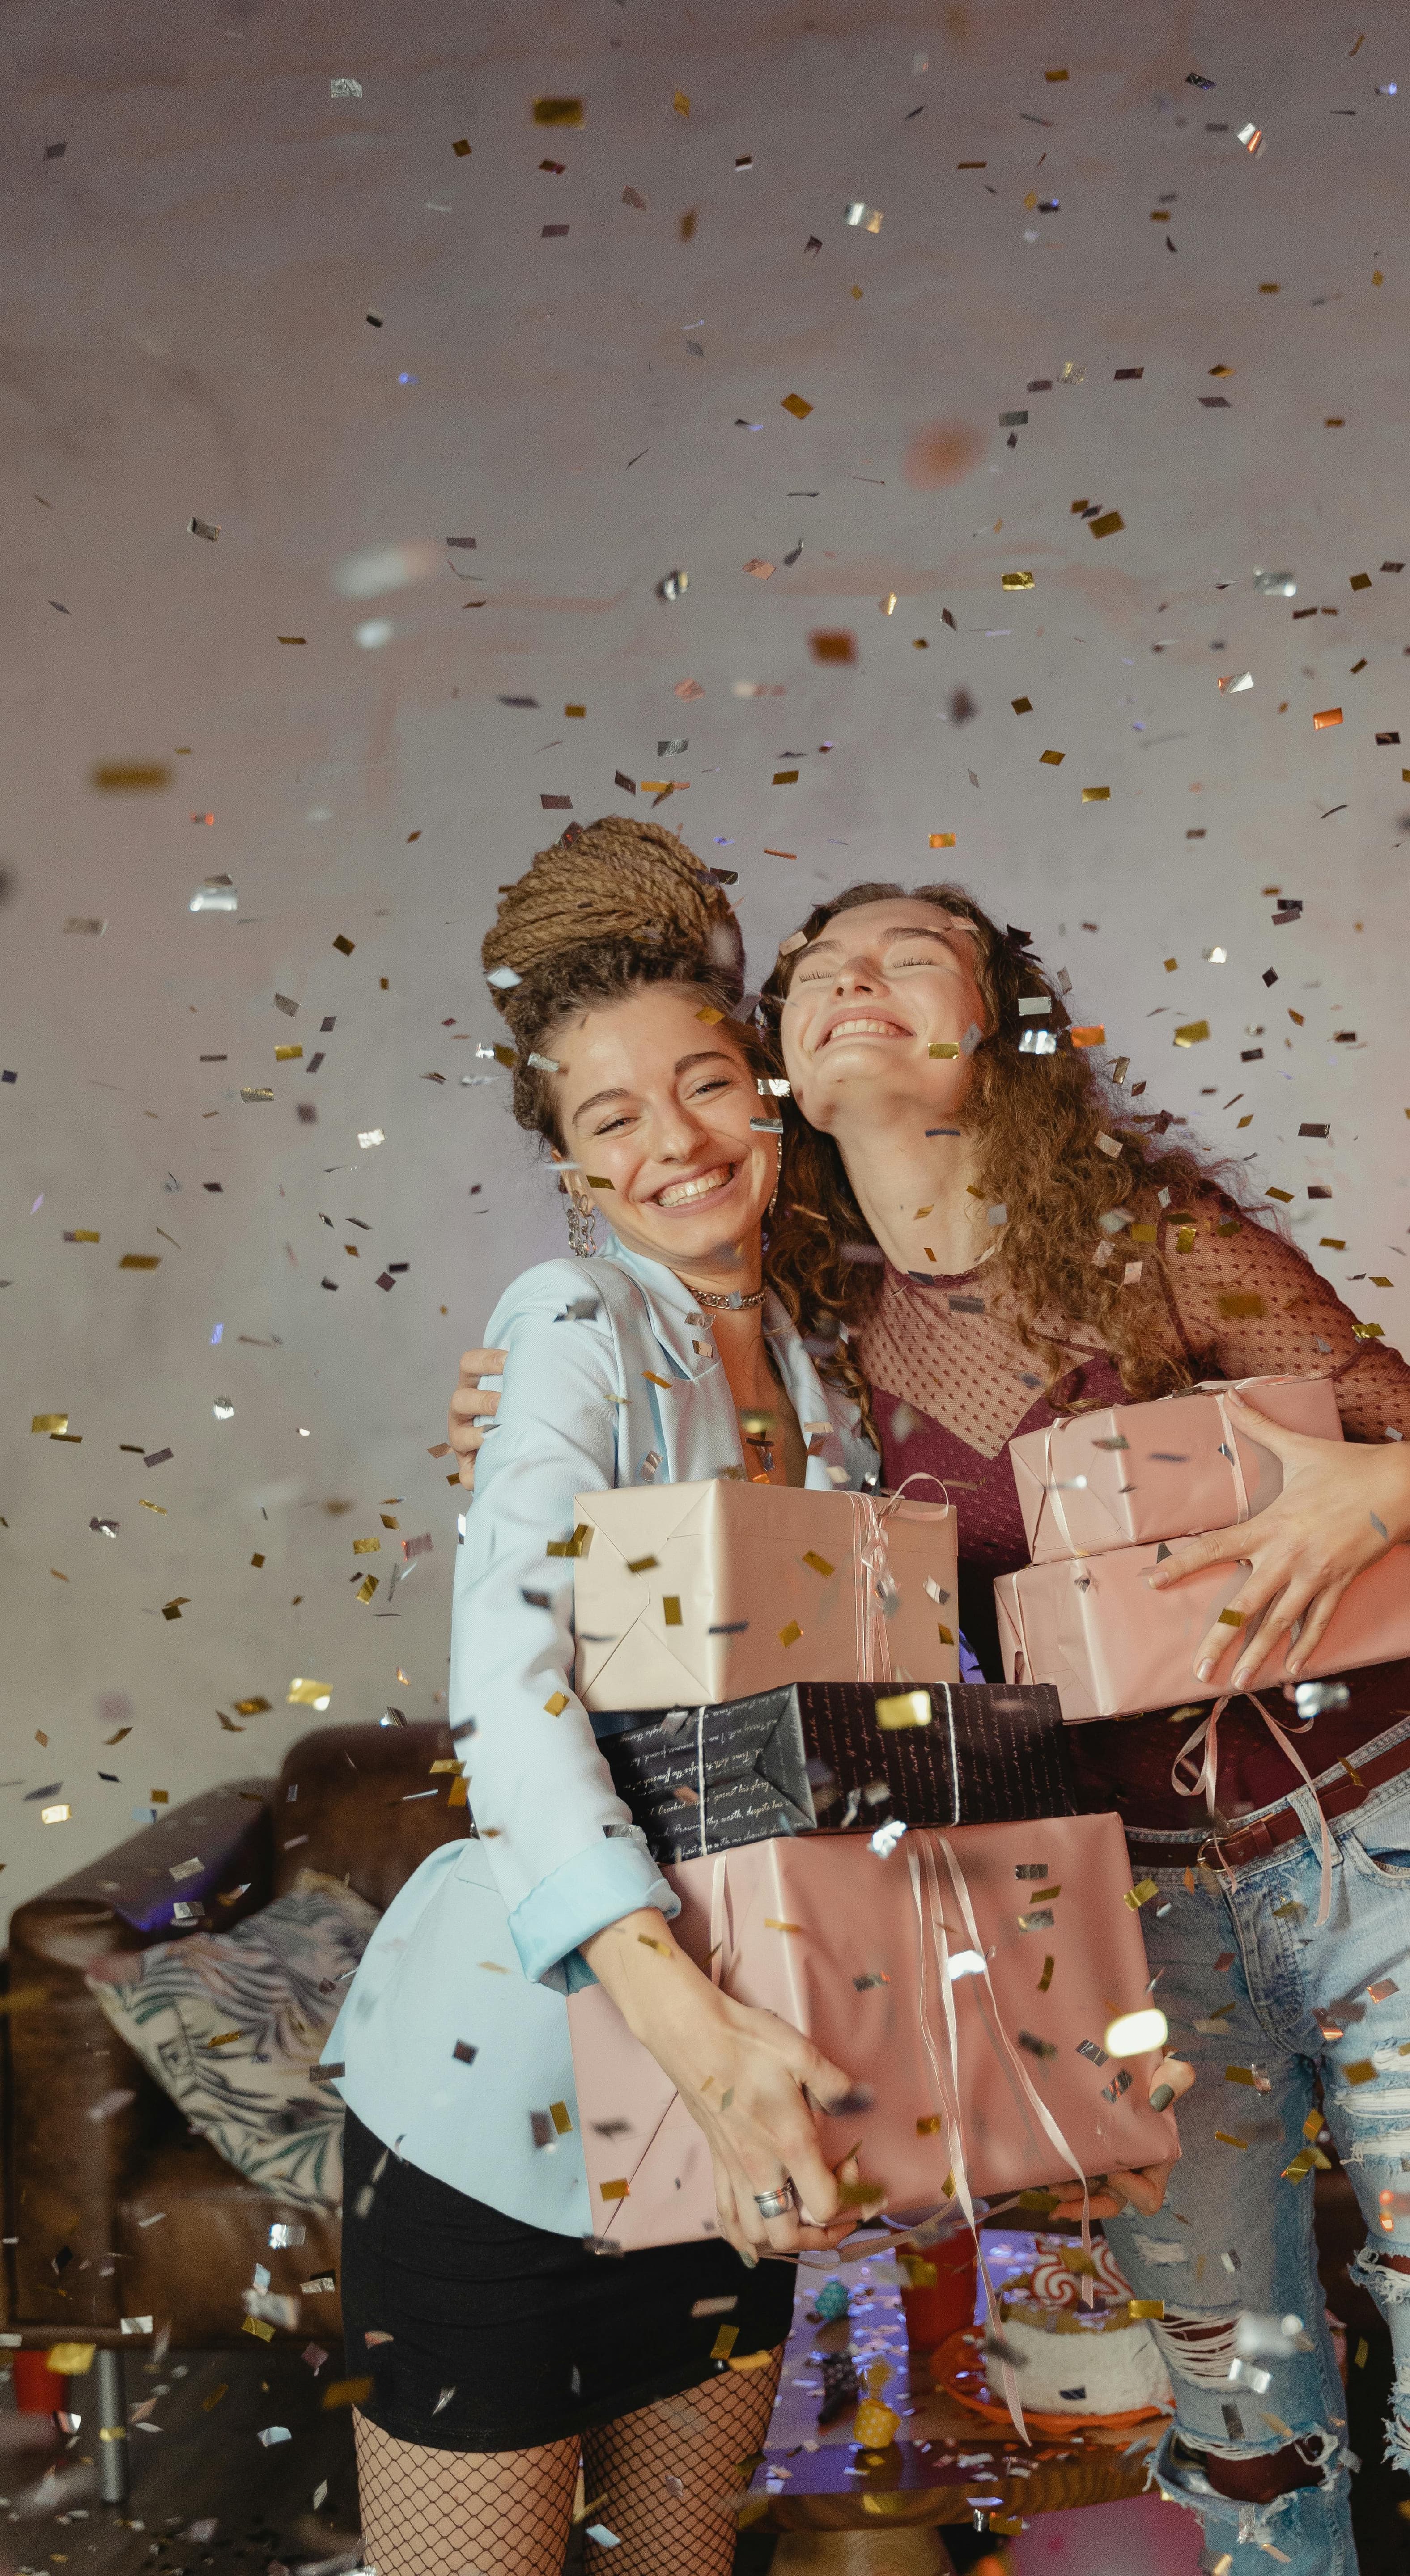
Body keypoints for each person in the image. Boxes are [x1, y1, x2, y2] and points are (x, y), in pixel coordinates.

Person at [453, 876, 1410, 2576]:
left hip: (1389, 1852)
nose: (857, 981)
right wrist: (518, 1401)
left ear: (998, 1027)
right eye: (818, 971)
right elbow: (630, 1464)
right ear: (779, 1058)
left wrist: (1393, 1488)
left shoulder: (1162, 1240)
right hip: (1131, 1916)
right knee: (1238, 2405)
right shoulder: (795, 1327)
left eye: (908, 956)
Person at [331, 821, 880, 2576]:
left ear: (771, 1097)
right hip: (512, 2102)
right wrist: (693, 2031)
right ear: (570, 1173)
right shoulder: (573, 1324)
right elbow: (506, 1686)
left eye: (707, 1084)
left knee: (682, 2566)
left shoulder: (819, 1377)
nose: (678, 1145)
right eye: (613, 1119)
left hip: (734, 2108)